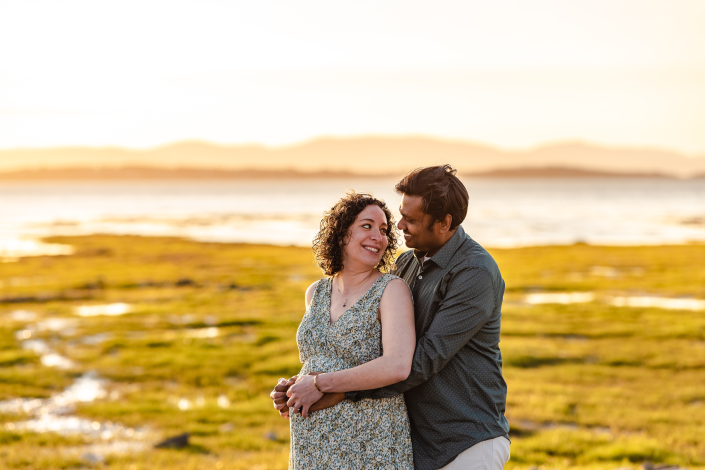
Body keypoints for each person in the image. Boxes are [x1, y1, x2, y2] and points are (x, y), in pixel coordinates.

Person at [273, 165, 510, 470]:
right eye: (400, 215)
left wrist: (330, 388)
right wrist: (299, 386)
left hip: (466, 440)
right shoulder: (407, 265)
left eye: (410, 220)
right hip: (418, 442)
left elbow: (422, 360)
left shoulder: (474, 272)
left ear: (443, 223)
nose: (399, 226)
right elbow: (369, 346)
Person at [284, 191, 417, 469]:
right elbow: (320, 360)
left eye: (383, 231)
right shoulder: (315, 293)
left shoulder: (391, 290)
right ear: (341, 233)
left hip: (371, 440)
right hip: (311, 441)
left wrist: (319, 383)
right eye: (366, 226)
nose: (378, 237)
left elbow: (397, 365)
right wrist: (294, 388)